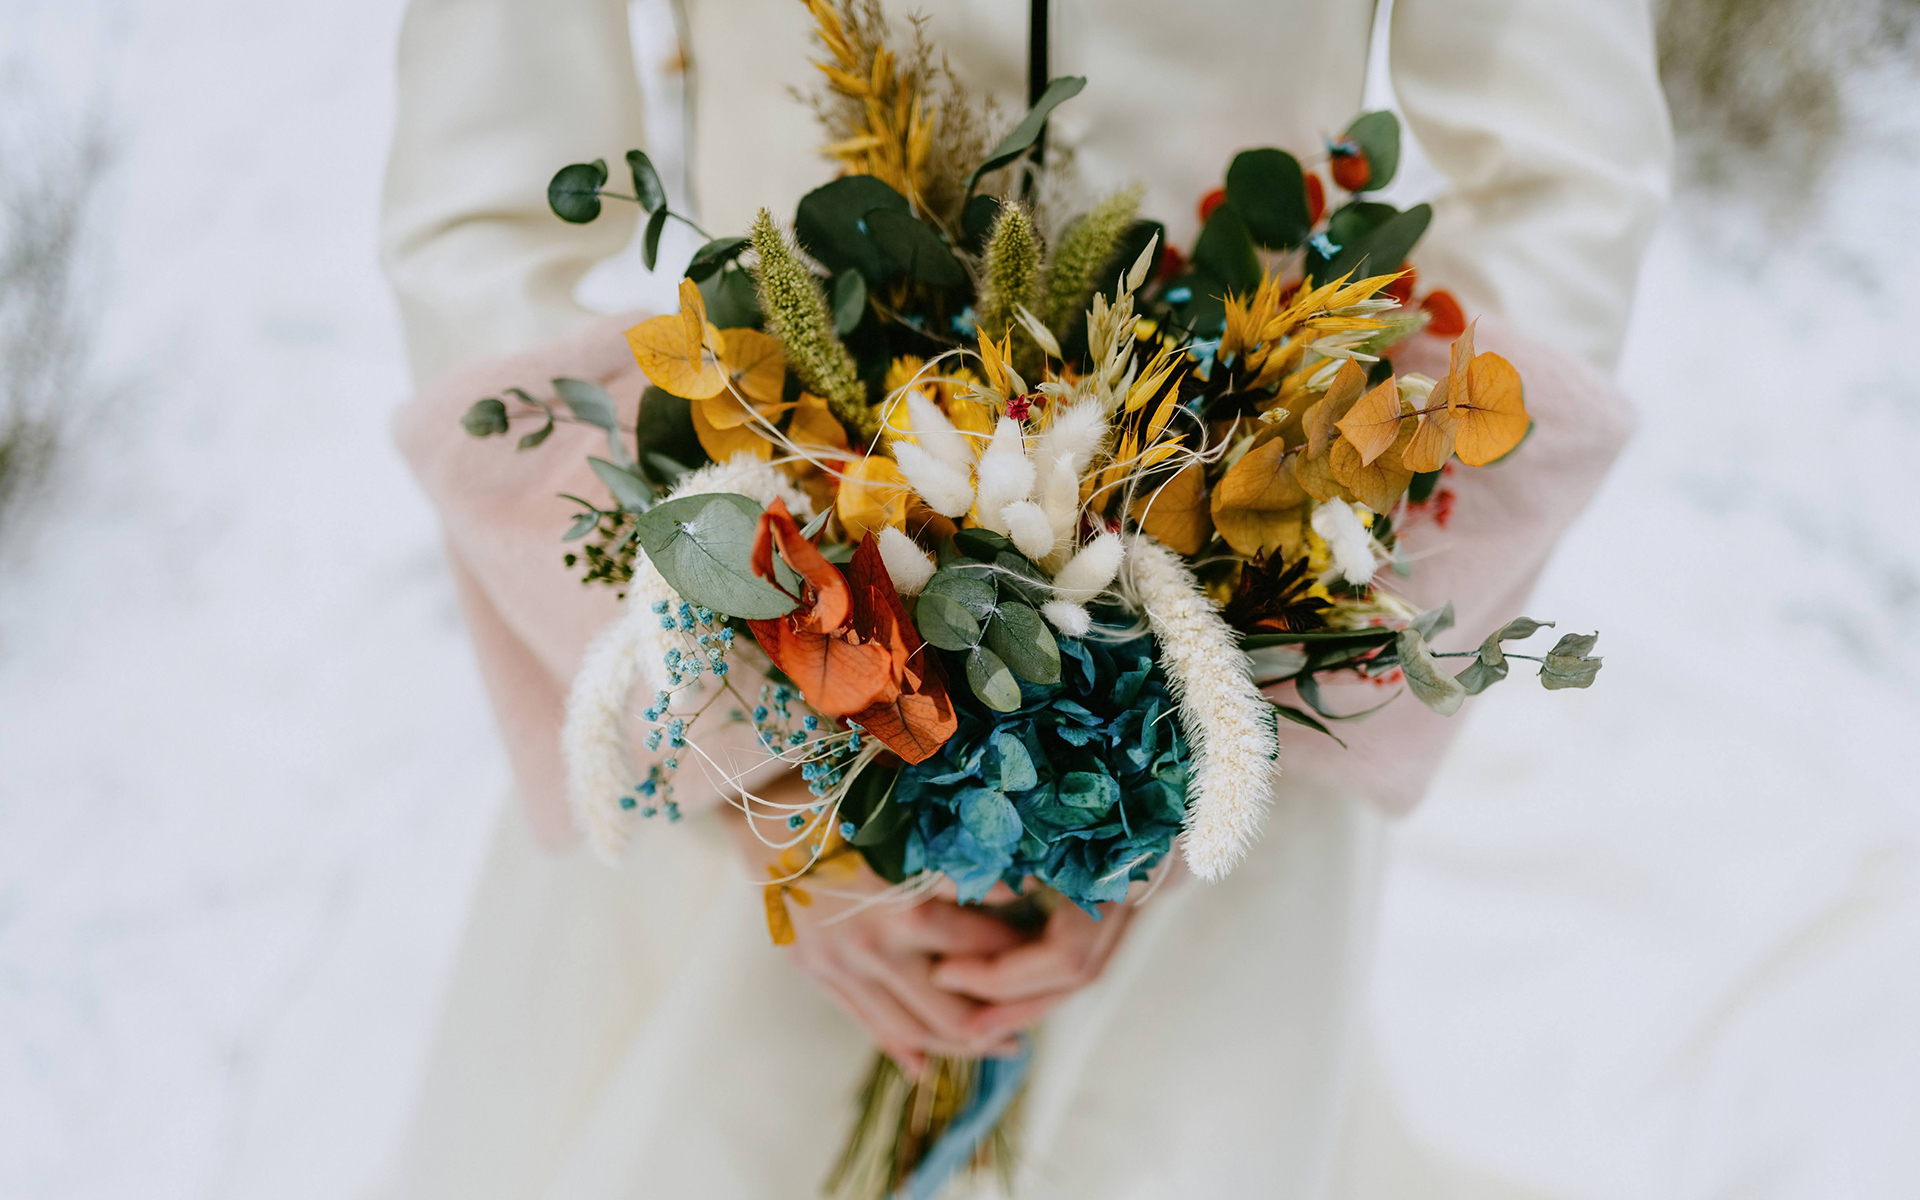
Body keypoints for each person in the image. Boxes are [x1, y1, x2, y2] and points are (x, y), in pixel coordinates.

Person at [378, 0, 1670, 1195]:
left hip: (1231, 766)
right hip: (740, 692)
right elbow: (480, 215)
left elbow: (1569, 181)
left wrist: (1251, 659)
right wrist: (748, 757)